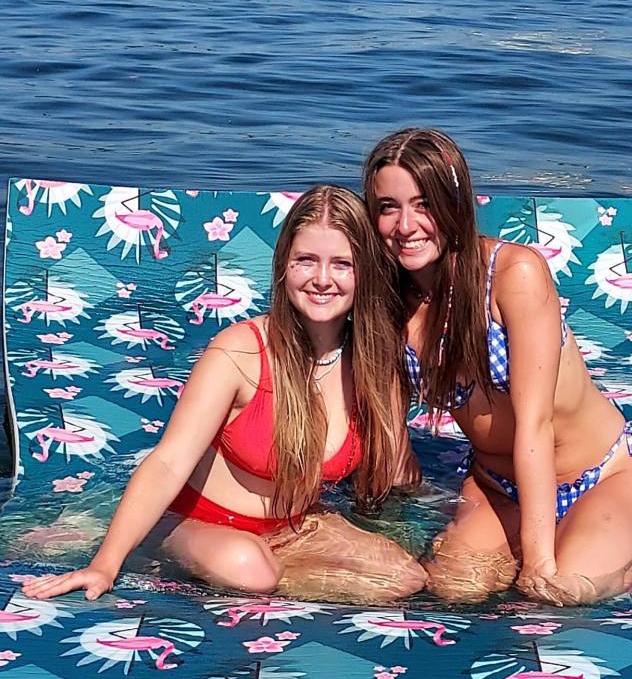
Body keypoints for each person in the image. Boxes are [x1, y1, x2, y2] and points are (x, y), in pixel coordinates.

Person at [23, 185, 425, 604]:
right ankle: (152, 553)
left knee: (404, 577)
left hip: (294, 526)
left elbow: (395, 470)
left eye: (342, 264)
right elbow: (167, 462)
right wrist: (104, 564)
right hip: (195, 520)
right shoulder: (240, 353)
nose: (322, 279)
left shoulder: (373, 364)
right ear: (283, 266)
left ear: (366, 273)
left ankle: (282, 570)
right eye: (306, 261)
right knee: (249, 570)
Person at [363, 129, 632, 606]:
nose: (406, 224)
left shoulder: (512, 274)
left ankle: (617, 551)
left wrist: (540, 562)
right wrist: (395, 520)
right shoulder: (390, 300)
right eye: (388, 207)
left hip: (599, 476)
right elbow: (390, 426)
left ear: (455, 204)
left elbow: (535, 424)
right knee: (452, 588)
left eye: (424, 203)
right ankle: (543, 544)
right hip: (498, 486)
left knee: (561, 592)